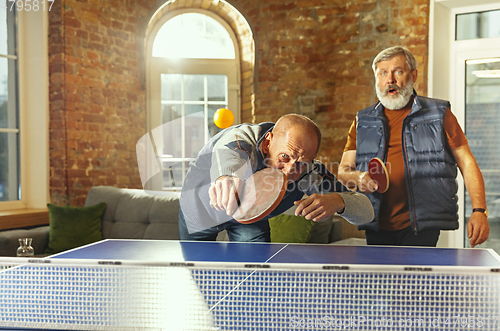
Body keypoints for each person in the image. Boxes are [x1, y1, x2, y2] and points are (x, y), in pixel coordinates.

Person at [338, 46, 490, 248]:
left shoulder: (439, 114)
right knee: (381, 280)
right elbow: (343, 170)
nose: (390, 80)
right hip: (374, 221)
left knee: (413, 279)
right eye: (383, 73)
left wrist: (479, 211)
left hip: (421, 226)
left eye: (397, 71)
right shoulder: (362, 121)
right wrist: (358, 178)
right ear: (377, 79)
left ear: (413, 75)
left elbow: (467, 161)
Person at [179, 114, 374, 242]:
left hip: (251, 216)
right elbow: (228, 155)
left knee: (255, 279)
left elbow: (367, 212)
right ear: (267, 143)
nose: (290, 170)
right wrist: (227, 178)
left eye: (300, 163)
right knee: (198, 276)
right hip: (200, 208)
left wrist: (339, 201)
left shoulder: (308, 173)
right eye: (284, 157)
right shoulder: (240, 140)